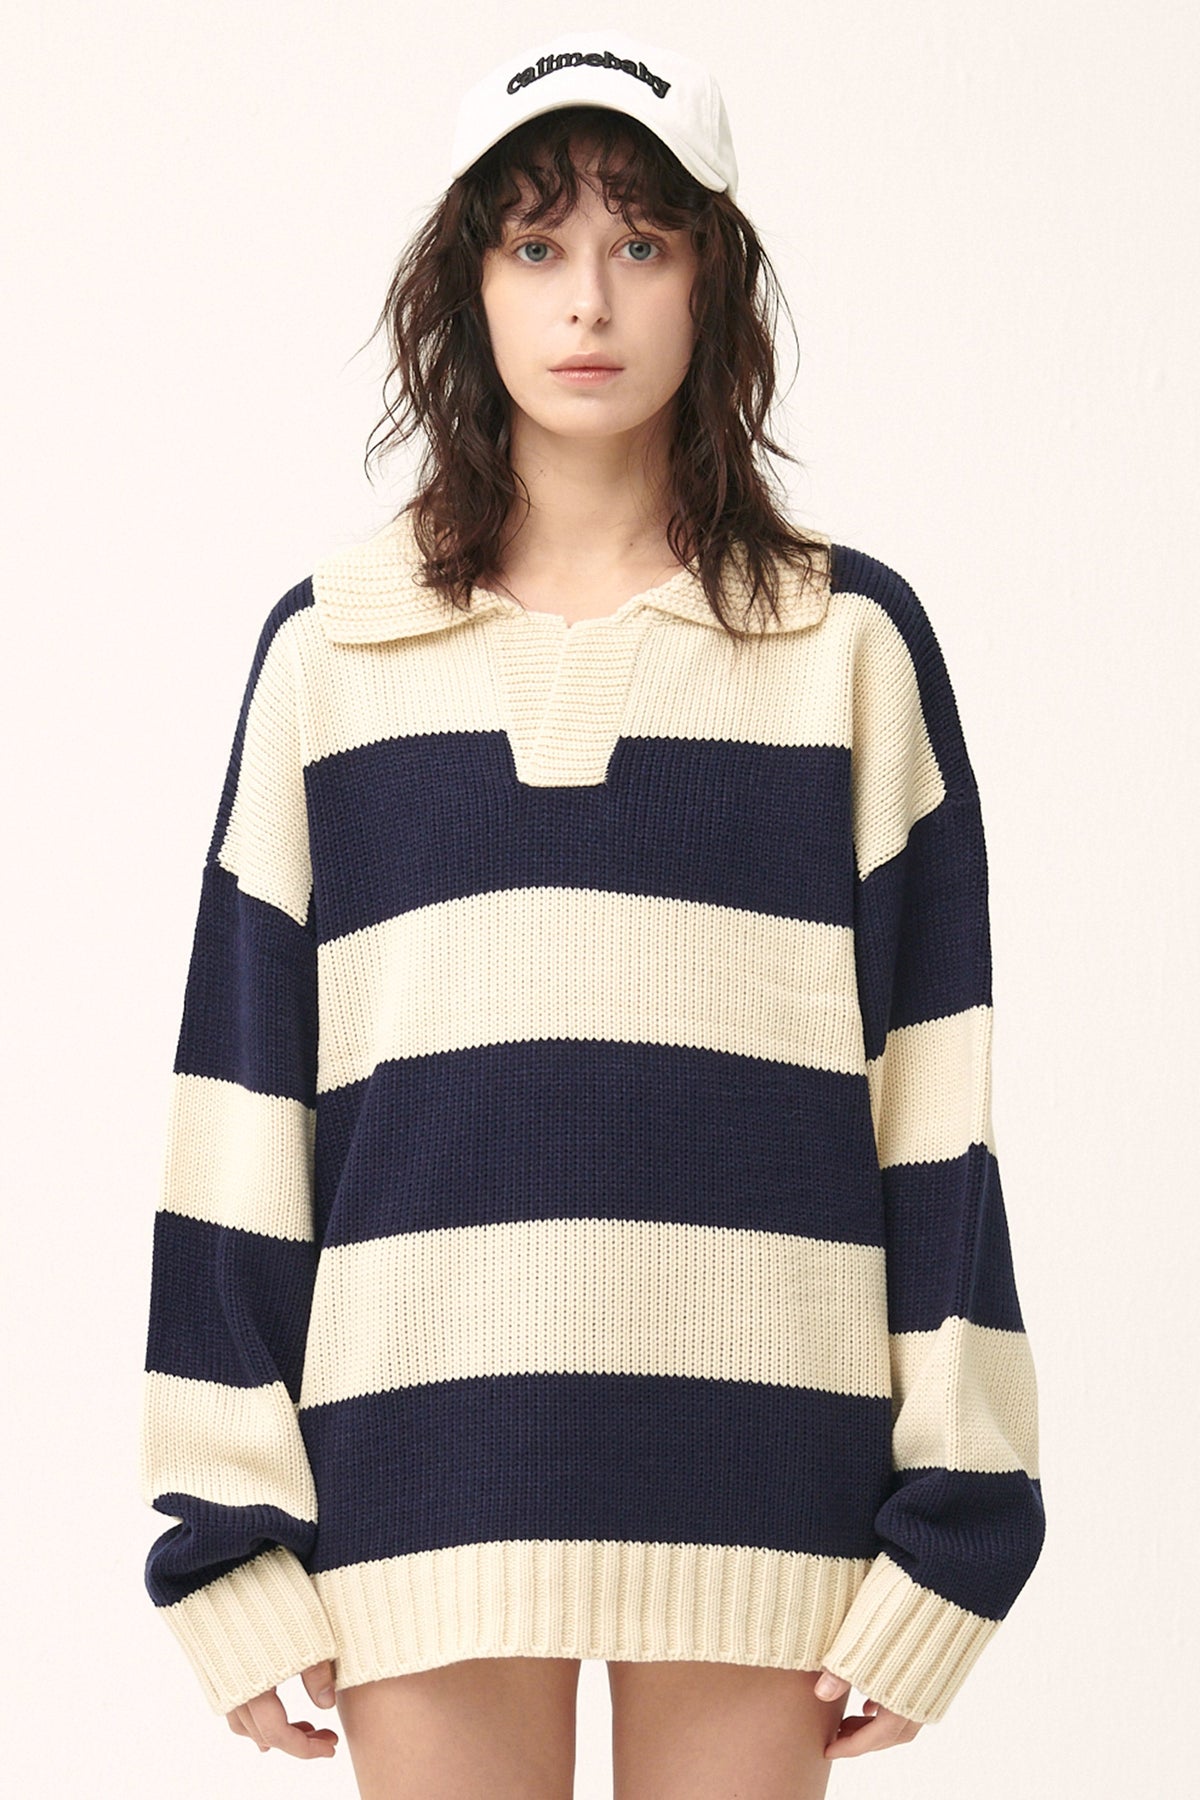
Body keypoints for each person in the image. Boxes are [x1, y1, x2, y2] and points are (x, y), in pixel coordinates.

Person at [137, 28, 1045, 1799]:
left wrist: (957, 1517)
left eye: (642, 242)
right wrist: (228, 1531)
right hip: (418, 1474)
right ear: (465, 287)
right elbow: (241, 1111)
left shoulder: (845, 647)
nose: (589, 302)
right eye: (537, 245)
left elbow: (936, 1108)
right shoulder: (331, 652)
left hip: (768, 1472)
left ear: (715, 279)